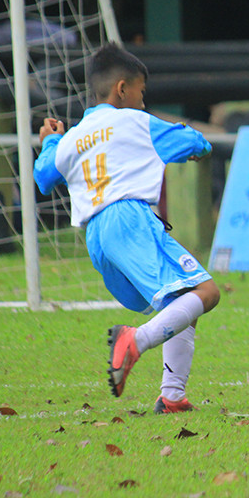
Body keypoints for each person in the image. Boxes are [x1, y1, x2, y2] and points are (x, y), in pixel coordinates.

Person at [34, 43, 220, 413]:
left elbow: (43, 176)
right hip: (129, 220)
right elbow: (197, 143)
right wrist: (193, 142)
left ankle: (172, 397)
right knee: (206, 292)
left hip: (96, 237)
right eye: (141, 93)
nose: (143, 102)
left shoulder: (74, 136)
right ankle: (134, 341)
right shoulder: (136, 121)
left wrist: (51, 139)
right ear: (123, 89)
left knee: (177, 301)